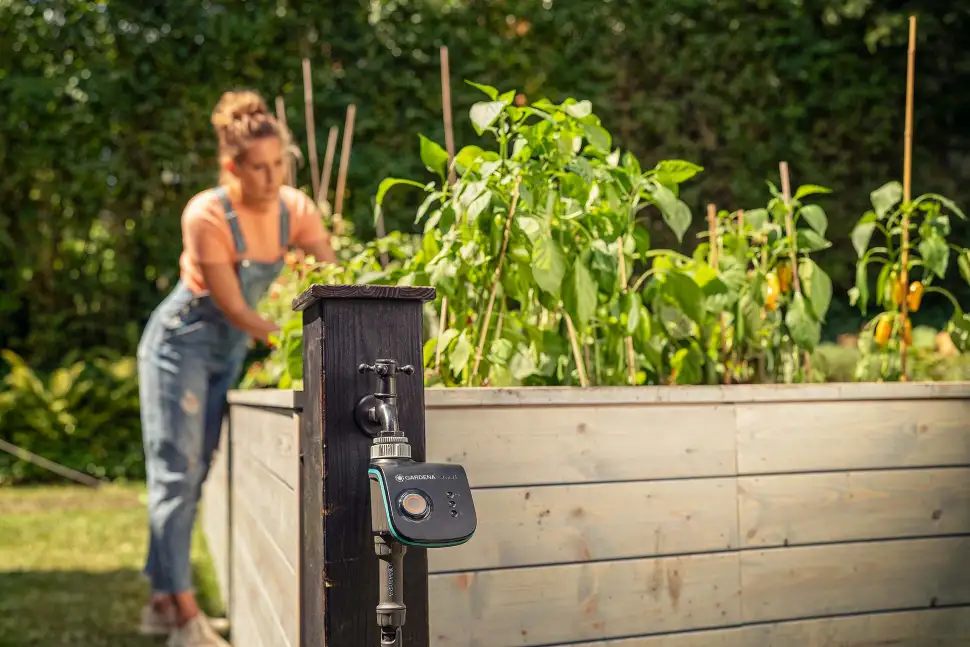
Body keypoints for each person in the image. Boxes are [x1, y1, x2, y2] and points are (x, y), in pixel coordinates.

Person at [136, 89, 337, 647]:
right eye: (259, 167)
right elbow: (238, 310)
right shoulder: (207, 214)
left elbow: (334, 275)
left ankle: (160, 599)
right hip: (180, 346)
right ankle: (182, 618)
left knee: (194, 474)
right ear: (232, 167)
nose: (273, 178)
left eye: (280, 164)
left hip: (227, 354)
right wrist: (301, 337)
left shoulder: (294, 209)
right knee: (177, 473)